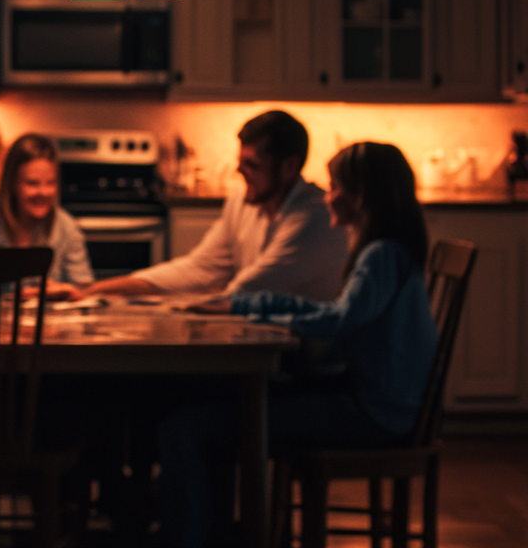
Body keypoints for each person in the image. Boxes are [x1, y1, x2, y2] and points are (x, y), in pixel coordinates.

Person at [157, 141, 439, 547]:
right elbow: (335, 311)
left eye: (335, 187)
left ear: (361, 197)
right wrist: (244, 305)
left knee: (187, 425)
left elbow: (337, 321)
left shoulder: (379, 255)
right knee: (213, 414)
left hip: (373, 413)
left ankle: (192, 538)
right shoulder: (387, 252)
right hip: (378, 403)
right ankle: (217, 534)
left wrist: (255, 314)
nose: (327, 196)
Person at [85, 110, 347, 301]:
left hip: (308, 357)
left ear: (289, 166)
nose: (239, 171)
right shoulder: (243, 204)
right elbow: (199, 268)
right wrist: (99, 289)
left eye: (251, 165)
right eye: (240, 161)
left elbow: (248, 289)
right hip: (265, 339)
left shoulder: (314, 216)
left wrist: (176, 309)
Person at [0, 133, 94, 300]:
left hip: (49, 324)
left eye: (51, 183)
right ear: (12, 183)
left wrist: (68, 291)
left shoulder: (66, 227)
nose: (43, 192)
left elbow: (85, 291)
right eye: (32, 183)